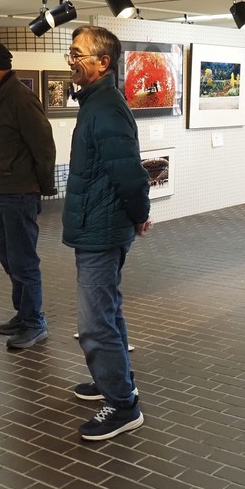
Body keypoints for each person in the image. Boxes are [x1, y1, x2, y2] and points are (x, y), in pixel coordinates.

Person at [62, 26, 152, 441]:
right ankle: (114, 381)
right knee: (108, 312)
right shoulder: (95, 103)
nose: (71, 60)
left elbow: (130, 173)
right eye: (70, 53)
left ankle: (122, 406)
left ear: (103, 62)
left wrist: (140, 214)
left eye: (78, 54)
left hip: (102, 229)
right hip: (95, 225)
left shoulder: (106, 108)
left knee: (95, 324)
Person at [0, 40, 57, 349]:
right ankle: (24, 314)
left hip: (20, 192)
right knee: (8, 256)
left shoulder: (21, 98)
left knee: (23, 259)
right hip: (3, 189)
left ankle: (34, 322)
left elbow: (44, 146)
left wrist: (43, 188)